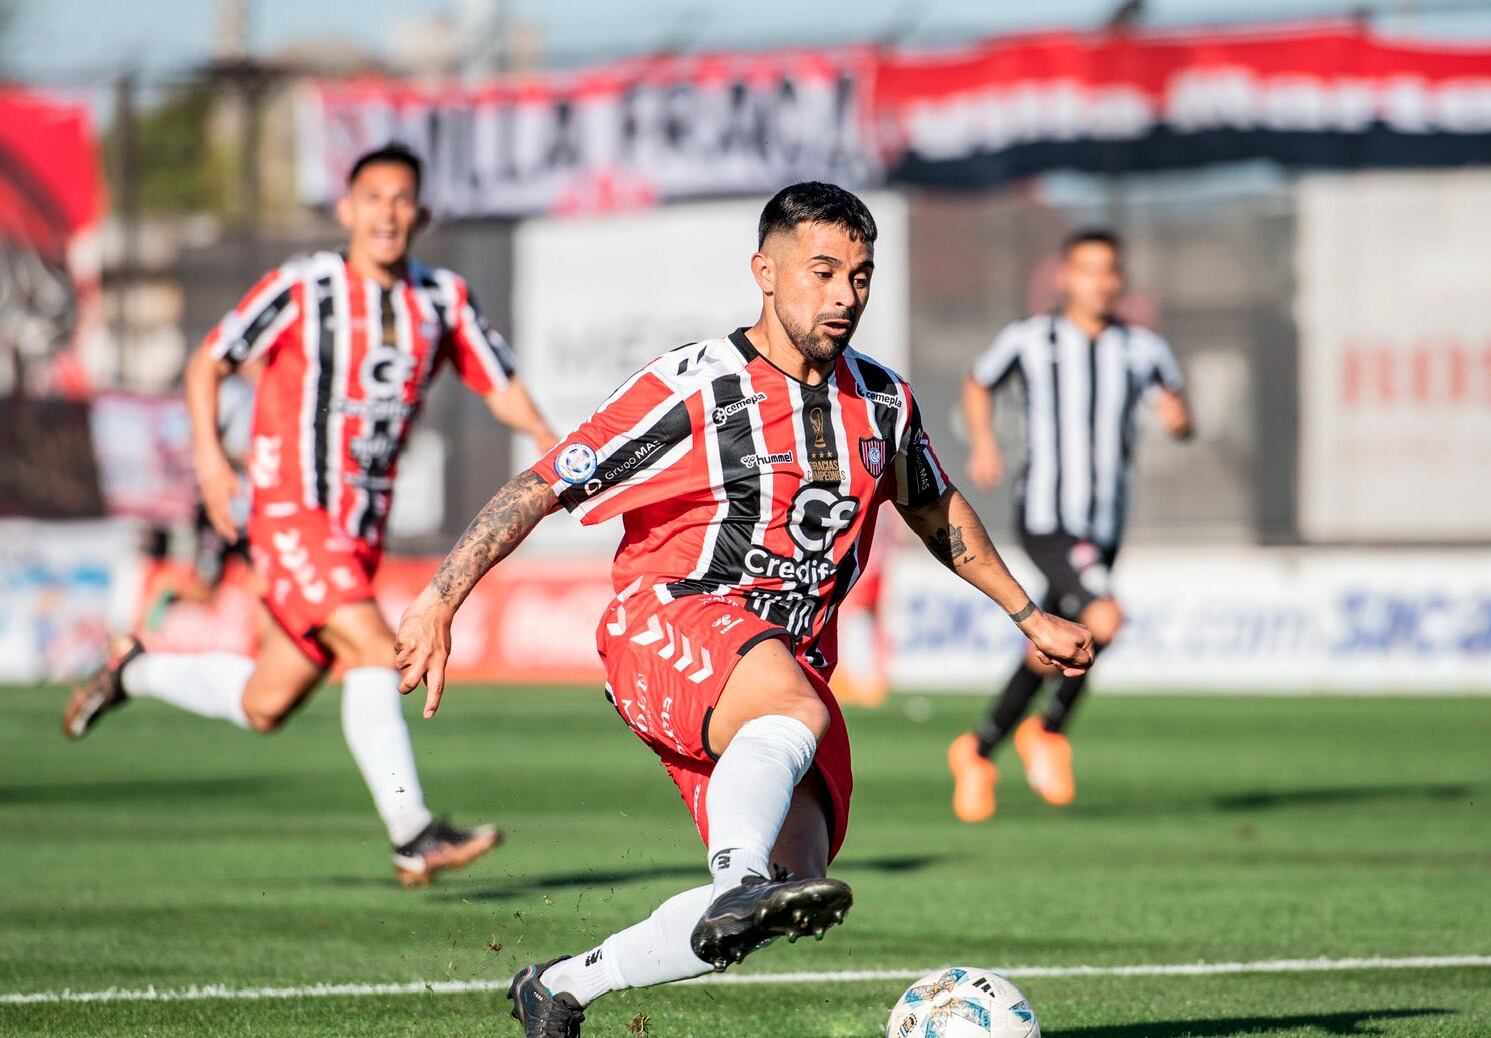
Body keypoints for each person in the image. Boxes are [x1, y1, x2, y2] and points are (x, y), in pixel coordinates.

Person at [392, 182, 1094, 1036]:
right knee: (761, 830)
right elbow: (542, 484)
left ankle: (563, 987)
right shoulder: (694, 385)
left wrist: (1027, 614)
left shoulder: (882, 399)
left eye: (861, 276)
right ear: (765, 272)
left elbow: (933, 507)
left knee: (791, 889)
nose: (844, 295)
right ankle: (734, 882)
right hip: (668, 620)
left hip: (780, 671)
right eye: (823, 271)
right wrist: (438, 598)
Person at [64, 143, 558, 886]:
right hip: (289, 510)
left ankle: (135, 671)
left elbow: (500, 383)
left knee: (266, 703)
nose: (388, 213)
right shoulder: (303, 287)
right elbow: (210, 361)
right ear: (347, 210)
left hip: (357, 532)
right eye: (374, 198)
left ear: (418, 215)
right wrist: (209, 455)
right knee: (372, 646)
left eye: (402, 200)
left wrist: (551, 445)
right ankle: (411, 832)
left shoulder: (443, 299)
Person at [948, 228, 1193, 822]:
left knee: (1055, 641)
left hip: (1104, 524)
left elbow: (1180, 411)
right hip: (1048, 515)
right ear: (1065, 276)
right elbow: (979, 384)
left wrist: (1180, 419)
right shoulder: (1032, 339)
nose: (1101, 282)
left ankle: (977, 749)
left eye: (1110, 271)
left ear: (1121, 280)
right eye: (1088, 270)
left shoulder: (1144, 348)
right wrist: (983, 443)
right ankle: (1048, 731)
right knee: (1103, 618)